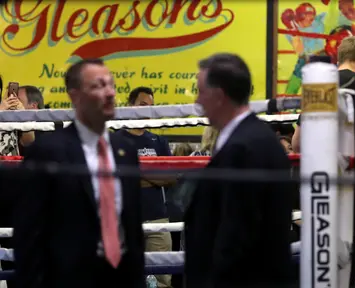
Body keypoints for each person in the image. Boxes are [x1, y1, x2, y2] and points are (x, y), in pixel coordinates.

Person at [13, 59, 145, 288]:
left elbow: (132, 228)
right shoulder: (48, 151)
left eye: (111, 85)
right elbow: (28, 235)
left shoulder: (126, 151)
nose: (109, 93)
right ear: (75, 96)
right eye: (97, 86)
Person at [184, 53, 294, 288]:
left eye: (201, 91)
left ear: (219, 96)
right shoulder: (258, 138)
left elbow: (236, 234)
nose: (197, 100)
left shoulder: (242, 148)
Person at [291, 36, 355, 284]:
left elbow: (297, 143)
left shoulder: (319, 84)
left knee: (318, 250)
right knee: (350, 253)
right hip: (344, 178)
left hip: (315, 182)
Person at [117, 86, 173, 288]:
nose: (147, 110)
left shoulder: (158, 141)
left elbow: (171, 178)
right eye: (143, 105)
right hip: (124, 221)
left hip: (157, 219)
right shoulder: (115, 140)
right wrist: (153, 175)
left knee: (162, 280)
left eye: (151, 106)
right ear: (130, 106)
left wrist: (135, 172)